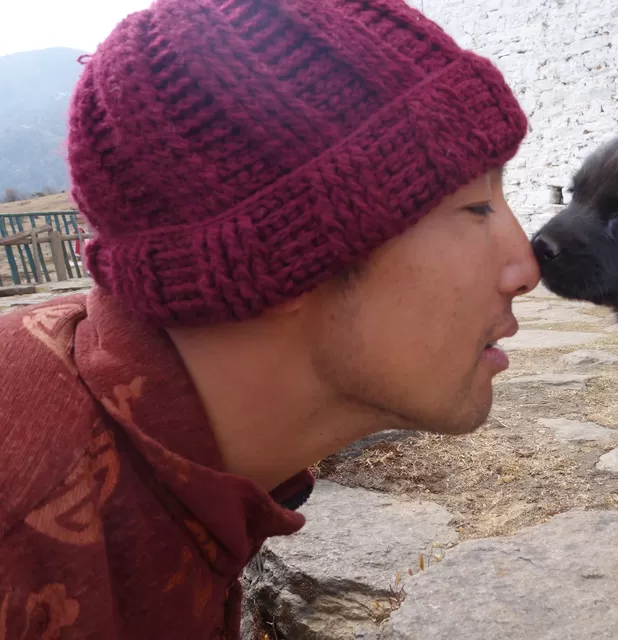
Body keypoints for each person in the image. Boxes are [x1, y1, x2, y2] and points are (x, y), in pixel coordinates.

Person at [0, 0, 540, 636]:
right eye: (476, 207)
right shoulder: (24, 525)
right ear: (292, 254)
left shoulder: (172, 479)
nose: (527, 267)